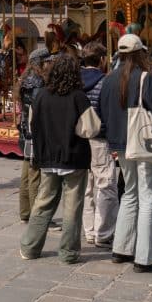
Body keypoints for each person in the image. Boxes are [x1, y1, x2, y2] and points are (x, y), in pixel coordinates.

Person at [98, 34, 152, 272]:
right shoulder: (145, 79)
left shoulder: (108, 80)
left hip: (119, 143)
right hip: (141, 142)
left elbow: (101, 114)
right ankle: (143, 257)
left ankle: (121, 247)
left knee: (129, 193)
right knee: (147, 196)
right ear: (140, 53)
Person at [19, 53, 92, 264]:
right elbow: (91, 127)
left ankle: (30, 247)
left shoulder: (40, 95)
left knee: (44, 202)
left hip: (48, 155)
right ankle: (68, 252)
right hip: (73, 156)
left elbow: (33, 124)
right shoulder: (78, 96)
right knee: (72, 205)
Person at [80, 42, 117, 249]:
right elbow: (109, 113)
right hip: (100, 139)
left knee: (87, 188)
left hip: (80, 139)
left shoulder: (74, 80)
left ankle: (90, 231)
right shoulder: (105, 82)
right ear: (102, 59)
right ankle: (103, 232)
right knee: (105, 186)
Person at [17, 48, 50, 222]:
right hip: (34, 132)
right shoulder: (37, 81)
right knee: (34, 174)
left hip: (25, 130)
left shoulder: (26, 78)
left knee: (26, 173)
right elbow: (39, 108)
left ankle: (25, 212)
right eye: (46, 61)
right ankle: (38, 215)